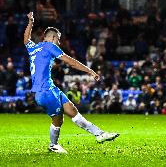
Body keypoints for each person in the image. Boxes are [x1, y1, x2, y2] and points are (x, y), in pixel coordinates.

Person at [23, 12, 119, 154]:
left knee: (72, 110)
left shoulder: (33, 48)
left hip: (50, 88)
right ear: (53, 38)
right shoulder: (50, 46)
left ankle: (100, 134)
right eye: (58, 40)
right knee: (58, 119)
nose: (59, 43)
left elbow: (26, 39)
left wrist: (30, 21)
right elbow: (71, 62)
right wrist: (90, 71)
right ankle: (53, 145)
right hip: (45, 91)